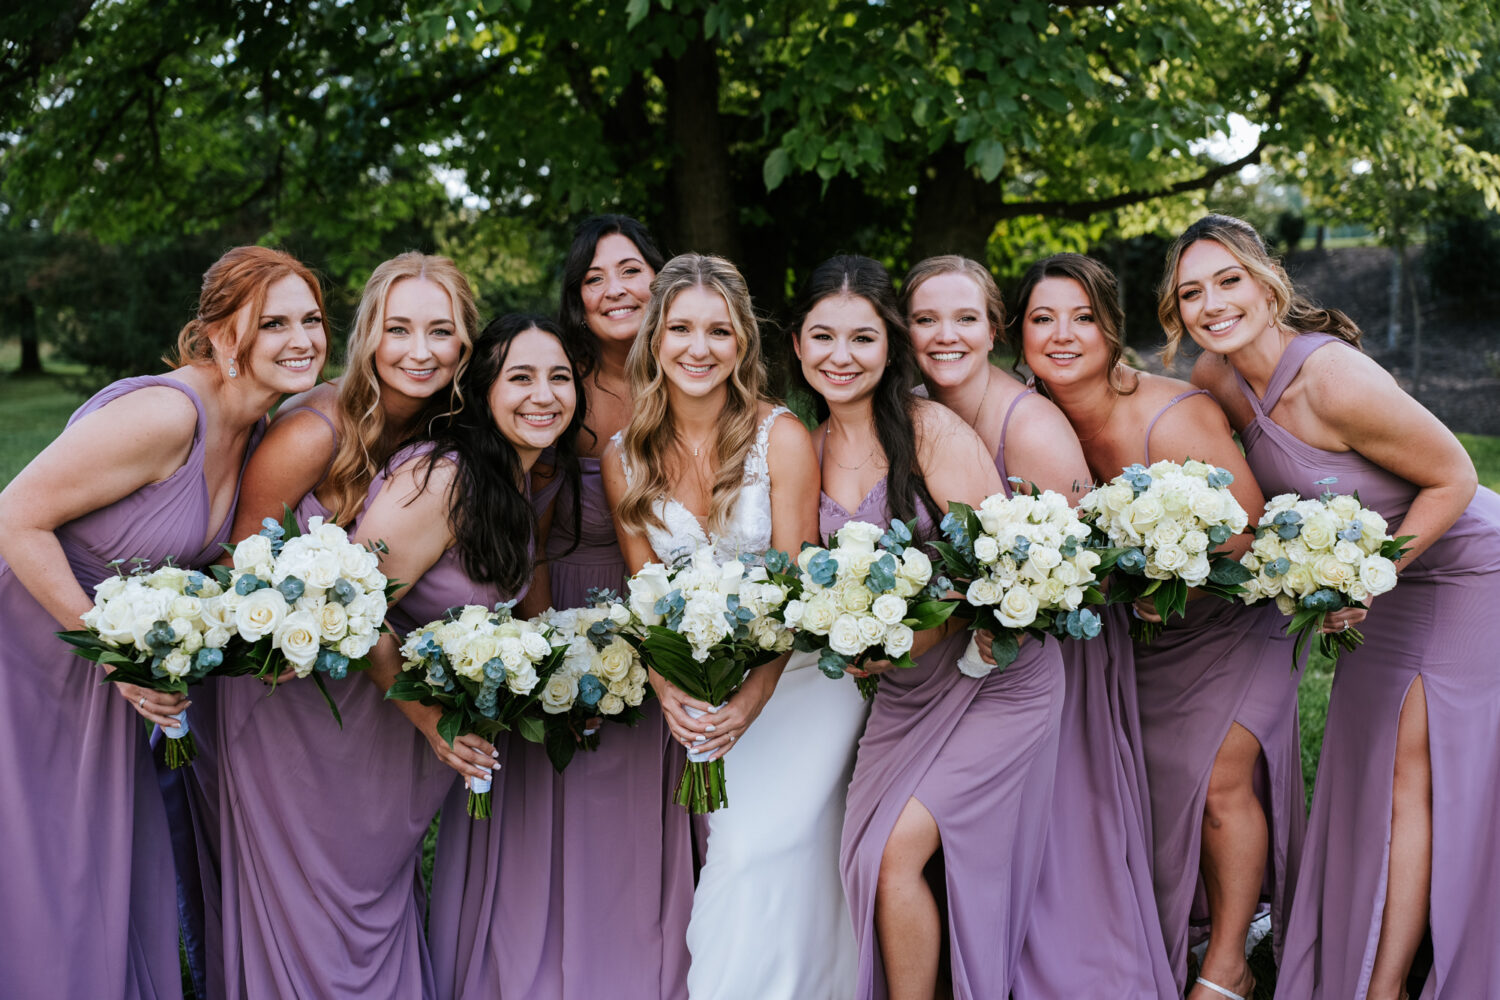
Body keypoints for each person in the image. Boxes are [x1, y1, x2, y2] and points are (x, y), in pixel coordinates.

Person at [1166, 214, 1500, 1000]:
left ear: (1268, 281)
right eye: (1190, 293)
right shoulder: (1216, 381)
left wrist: (1361, 582)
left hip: (1462, 568)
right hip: (1381, 577)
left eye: (1228, 281)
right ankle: (1366, 949)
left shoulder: (1331, 378)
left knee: (1407, 770)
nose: (1211, 304)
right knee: (1362, 770)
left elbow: (1453, 476)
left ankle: (1383, 987)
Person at [0, 245, 326, 999]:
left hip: (99, 681)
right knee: (34, 871)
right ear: (216, 336)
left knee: (86, 873)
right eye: (271, 322)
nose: (301, 337)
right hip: (28, 661)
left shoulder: (257, 425)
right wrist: (116, 655)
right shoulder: (165, 413)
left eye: (310, 318)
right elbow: (14, 517)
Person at [1022, 251, 1305, 1000]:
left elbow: (1253, 539)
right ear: (1015, 334)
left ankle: (1228, 967)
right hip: (1140, 645)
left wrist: (1181, 578)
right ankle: (1191, 926)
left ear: (1112, 329)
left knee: (1218, 781)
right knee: (1151, 791)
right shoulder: (1026, 422)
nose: (1062, 334)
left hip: (1236, 625)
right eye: (1042, 318)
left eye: (1083, 317)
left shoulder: (1175, 412)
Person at [902, 254, 1176, 998]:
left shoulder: (1032, 425)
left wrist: (1007, 615)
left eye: (965, 319)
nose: (946, 335)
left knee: (1059, 839)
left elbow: (1084, 566)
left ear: (993, 327)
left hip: (1051, 654)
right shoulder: (914, 403)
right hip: (956, 661)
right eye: (926, 319)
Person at [793, 254, 1062, 1000]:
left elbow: (1002, 568)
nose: (840, 357)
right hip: (903, 697)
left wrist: (918, 634)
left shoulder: (931, 431)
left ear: (890, 347)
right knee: (866, 854)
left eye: (862, 339)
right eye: (823, 337)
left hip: (998, 679)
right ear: (797, 346)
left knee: (893, 853)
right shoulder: (807, 451)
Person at [210, 253, 477, 998]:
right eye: (398, 329)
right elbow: (242, 561)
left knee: (376, 892)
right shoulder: (313, 431)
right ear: (368, 336)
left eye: (440, 331)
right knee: (312, 909)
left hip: (383, 711)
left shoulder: (455, 436)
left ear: (465, 343)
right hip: (293, 703)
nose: (419, 350)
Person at [601, 252, 861, 1000]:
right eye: (681, 327)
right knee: (769, 866)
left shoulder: (781, 436)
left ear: (743, 343)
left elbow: (795, 586)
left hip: (800, 686)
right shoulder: (624, 457)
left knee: (754, 853)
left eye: (719, 330)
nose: (699, 347)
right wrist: (666, 687)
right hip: (702, 697)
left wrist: (751, 698)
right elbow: (643, 592)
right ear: (654, 338)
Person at [359, 313, 583, 1000]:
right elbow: (352, 602)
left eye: (559, 378)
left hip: (410, 732)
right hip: (361, 721)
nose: (543, 395)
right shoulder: (443, 478)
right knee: (358, 916)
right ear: (482, 387)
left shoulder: (514, 479)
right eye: (520, 377)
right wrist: (431, 720)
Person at [517, 214, 694, 999]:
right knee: (581, 808)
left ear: (662, 278)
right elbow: (536, 536)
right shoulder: (562, 388)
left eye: (630, 270)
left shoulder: (695, 369)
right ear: (576, 298)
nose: (615, 289)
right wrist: (556, 651)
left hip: (683, 623)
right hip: (578, 612)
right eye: (594, 277)